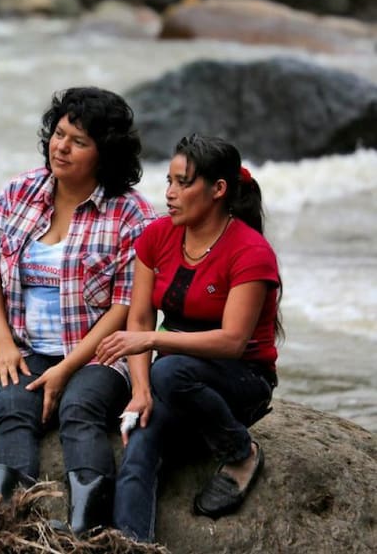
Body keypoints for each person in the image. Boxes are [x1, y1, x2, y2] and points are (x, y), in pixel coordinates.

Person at [0, 87, 156, 535]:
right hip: (26, 346)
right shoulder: (21, 192)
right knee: (10, 404)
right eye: (59, 134)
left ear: (104, 155)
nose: (61, 147)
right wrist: (3, 346)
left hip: (99, 353)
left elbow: (125, 306)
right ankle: (6, 530)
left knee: (80, 409)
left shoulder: (132, 215)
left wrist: (66, 369)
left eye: (79, 141)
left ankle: (88, 534)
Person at [96, 134, 281, 543]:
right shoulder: (158, 236)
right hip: (172, 378)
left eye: (183, 183)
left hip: (241, 380)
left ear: (218, 190)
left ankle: (240, 452)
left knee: (172, 372)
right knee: (139, 444)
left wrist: (151, 345)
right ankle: (130, 546)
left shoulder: (251, 252)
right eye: (169, 181)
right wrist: (140, 390)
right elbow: (141, 317)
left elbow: (233, 342)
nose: (169, 194)